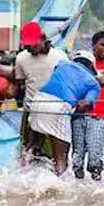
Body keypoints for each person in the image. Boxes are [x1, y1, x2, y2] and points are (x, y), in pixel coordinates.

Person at [28, 51, 100, 175]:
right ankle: (61, 188)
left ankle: (20, 170)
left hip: (38, 100)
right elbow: (84, 104)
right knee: (61, 158)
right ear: (91, 66)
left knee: (32, 146)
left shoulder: (62, 64)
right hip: (59, 107)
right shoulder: (94, 83)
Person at [13, 22, 68, 162]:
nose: (30, 48)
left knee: (53, 157)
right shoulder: (21, 58)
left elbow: (67, 82)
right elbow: (20, 85)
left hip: (54, 112)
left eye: (34, 44)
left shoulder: (60, 57)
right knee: (27, 152)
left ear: (43, 38)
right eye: (27, 46)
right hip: (31, 111)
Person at [72, 32, 104, 181]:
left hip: (99, 117)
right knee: (77, 157)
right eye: (103, 44)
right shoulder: (81, 63)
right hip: (78, 115)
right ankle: (79, 189)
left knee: (95, 157)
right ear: (93, 45)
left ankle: (96, 188)